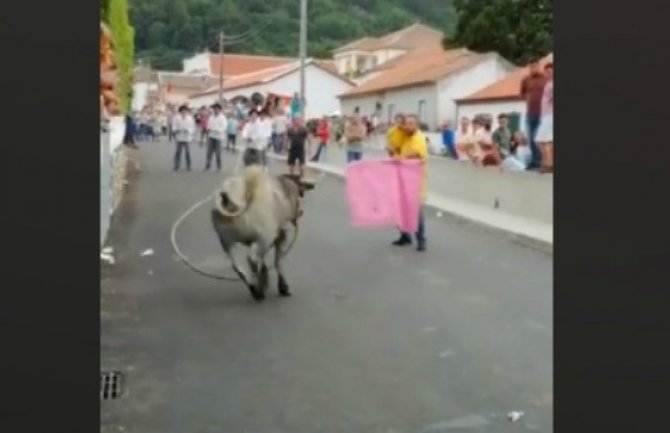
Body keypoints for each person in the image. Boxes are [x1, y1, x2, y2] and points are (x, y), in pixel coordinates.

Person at [390, 114, 429, 252]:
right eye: (406, 123)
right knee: (399, 208)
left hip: (414, 180)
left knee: (414, 210)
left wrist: (398, 157)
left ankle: (421, 239)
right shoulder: (405, 136)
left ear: (417, 125)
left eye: (412, 123)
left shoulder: (419, 138)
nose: (408, 126)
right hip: (401, 177)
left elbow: (415, 156)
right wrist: (399, 127)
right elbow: (392, 142)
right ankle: (405, 235)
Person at [520, 58, 548, 170]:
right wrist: (527, 99)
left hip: (542, 113)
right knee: (531, 137)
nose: (533, 68)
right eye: (531, 67)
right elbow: (522, 93)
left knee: (539, 138)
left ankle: (542, 161)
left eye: (535, 66)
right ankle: (534, 161)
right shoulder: (526, 80)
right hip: (530, 113)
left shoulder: (545, 79)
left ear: (539, 66)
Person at [535, 62, 554, 173]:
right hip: (547, 115)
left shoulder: (552, 84)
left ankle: (548, 164)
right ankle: (550, 163)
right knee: (549, 141)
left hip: (549, 115)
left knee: (541, 140)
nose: (547, 73)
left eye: (549, 71)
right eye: (546, 72)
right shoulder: (549, 83)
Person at [205, 103, 227, 171]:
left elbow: (224, 127)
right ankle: (208, 165)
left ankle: (218, 166)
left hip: (219, 138)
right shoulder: (211, 117)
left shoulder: (222, 118)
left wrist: (216, 129)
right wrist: (208, 129)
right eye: (215, 109)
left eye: (217, 109)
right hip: (211, 136)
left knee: (218, 153)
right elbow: (208, 126)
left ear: (220, 110)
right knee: (209, 152)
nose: (216, 110)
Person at [172, 105, 195, 171]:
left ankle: (188, 165)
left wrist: (188, 130)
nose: (184, 112)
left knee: (188, 152)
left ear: (187, 112)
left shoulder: (190, 118)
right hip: (179, 137)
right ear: (180, 111)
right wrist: (176, 130)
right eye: (182, 111)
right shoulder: (177, 118)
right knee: (178, 152)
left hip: (187, 138)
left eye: (185, 111)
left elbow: (193, 127)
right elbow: (174, 125)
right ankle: (176, 165)